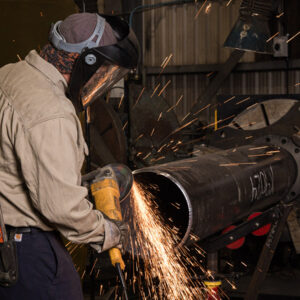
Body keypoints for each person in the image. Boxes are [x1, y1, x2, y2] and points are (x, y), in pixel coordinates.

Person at [0, 12, 139, 300]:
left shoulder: (8, 74)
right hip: (28, 251)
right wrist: (108, 232)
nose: (104, 81)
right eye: (105, 72)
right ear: (88, 63)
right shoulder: (52, 111)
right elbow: (61, 207)